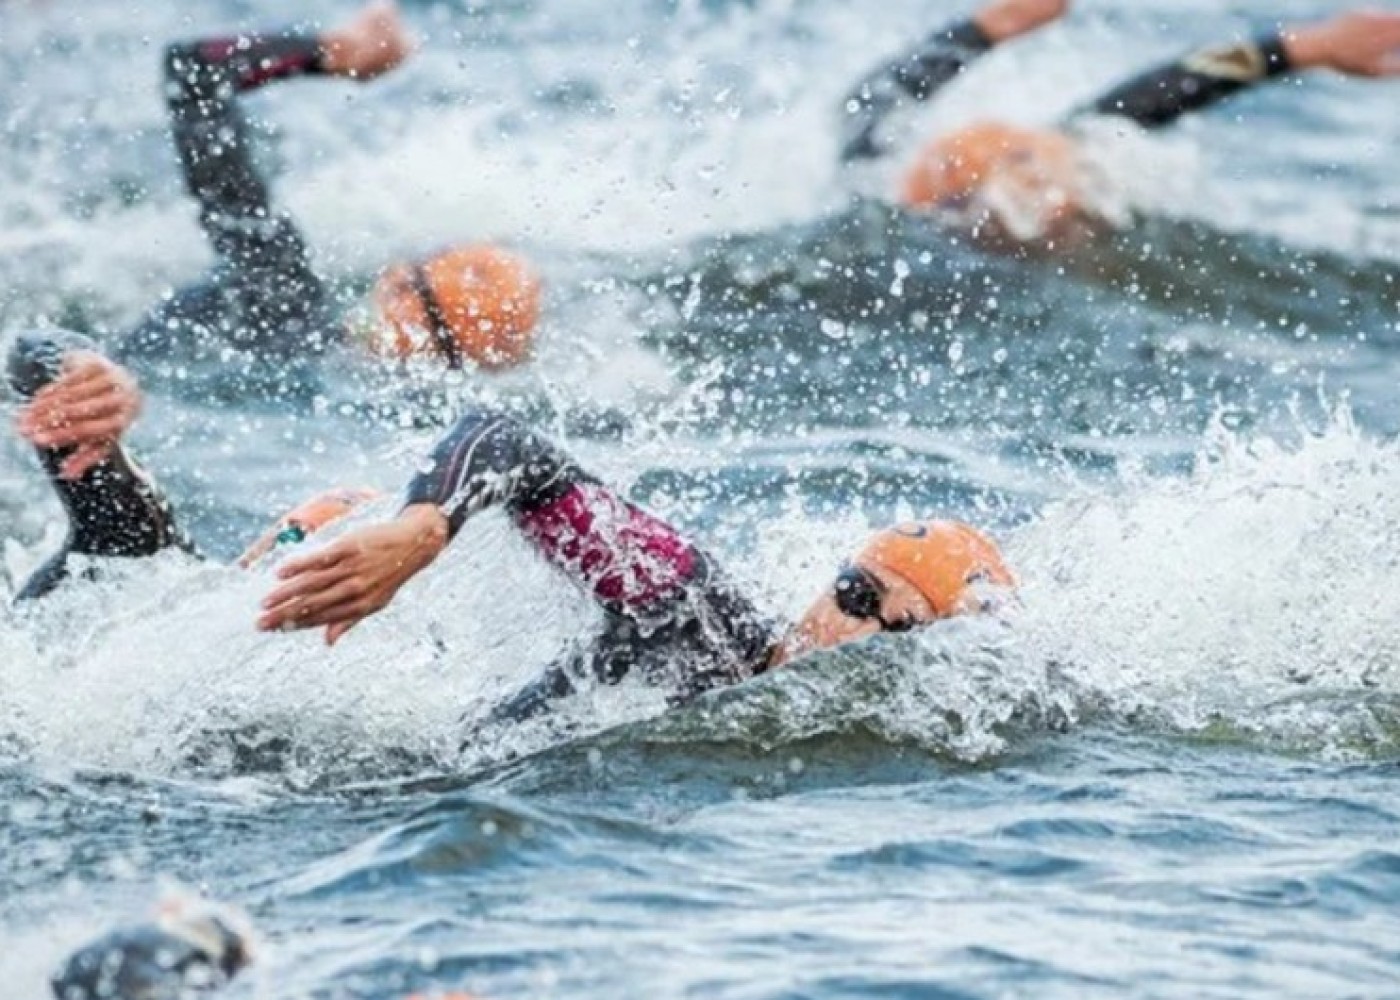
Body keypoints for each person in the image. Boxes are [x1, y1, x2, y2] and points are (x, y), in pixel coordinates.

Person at [9, 331, 1014, 720]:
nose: (850, 632)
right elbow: (507, 439)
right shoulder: (690, 615)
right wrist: (418, 531)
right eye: (853, 593)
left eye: (893, 631)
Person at [120, 1, 541, 395]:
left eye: (429, 258)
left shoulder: (275, 289)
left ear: (400, 289)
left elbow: (194, 69)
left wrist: (332, 52)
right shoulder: (354, 398)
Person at [840, 0, 1400, 243]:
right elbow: (867, 112)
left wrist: (1301, 47)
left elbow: (1169, 88)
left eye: (1023, 151)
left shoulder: (1079, 158)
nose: (1029, 168)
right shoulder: (899, 212)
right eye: (1013, 160)